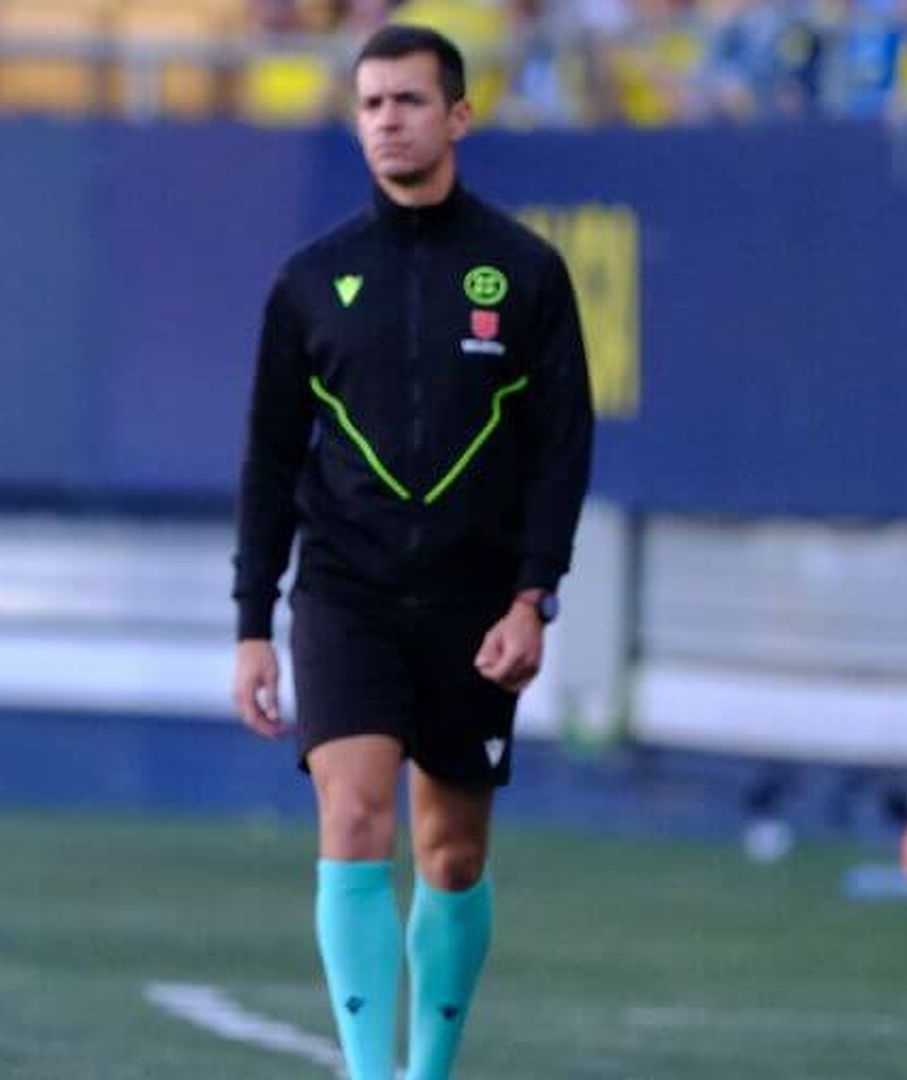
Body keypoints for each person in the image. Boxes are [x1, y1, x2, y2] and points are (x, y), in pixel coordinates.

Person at [230, 25, 592, 1080]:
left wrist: (535, 597)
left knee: (452, 851)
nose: (388, 120)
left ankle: (426, 1071)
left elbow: (561, 450)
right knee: (352, 813)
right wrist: (254, 622)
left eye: (409, 101)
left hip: (478, 599)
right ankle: (369, 1071)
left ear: (459, 115)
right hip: (343, 589)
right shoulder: (311, 282)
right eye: (372, 104)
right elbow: (266, 458)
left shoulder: (524, 274)